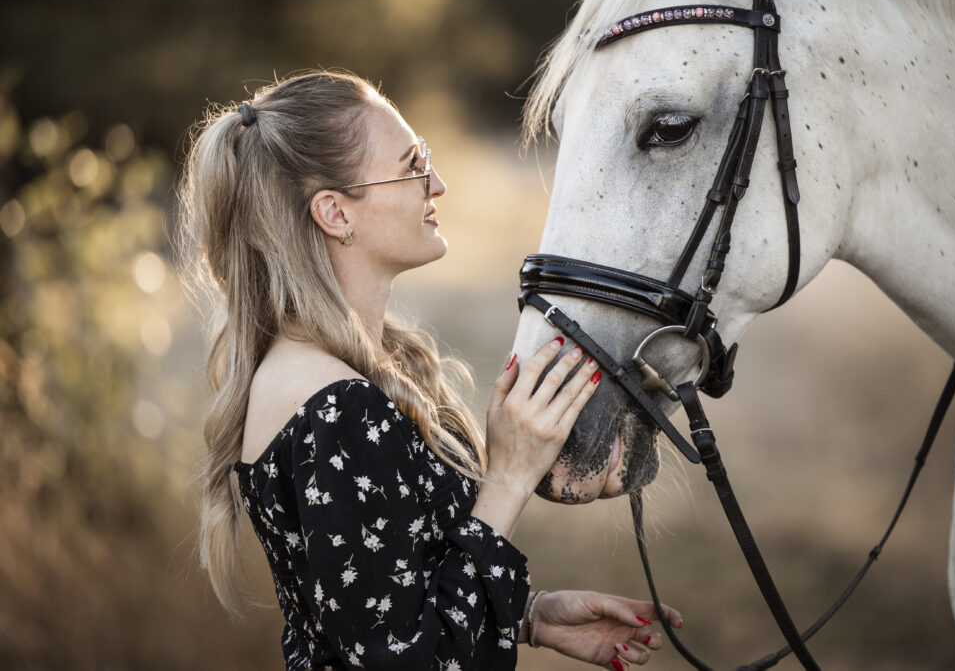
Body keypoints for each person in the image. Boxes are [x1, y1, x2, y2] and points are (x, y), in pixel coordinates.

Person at [180, 71, 682, 671]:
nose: (437, 185)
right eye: (413, 164)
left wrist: (528, 615)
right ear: (336, 213)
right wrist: (509, 478)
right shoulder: (335, 405)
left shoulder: (324, 375)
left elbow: (372, 608)